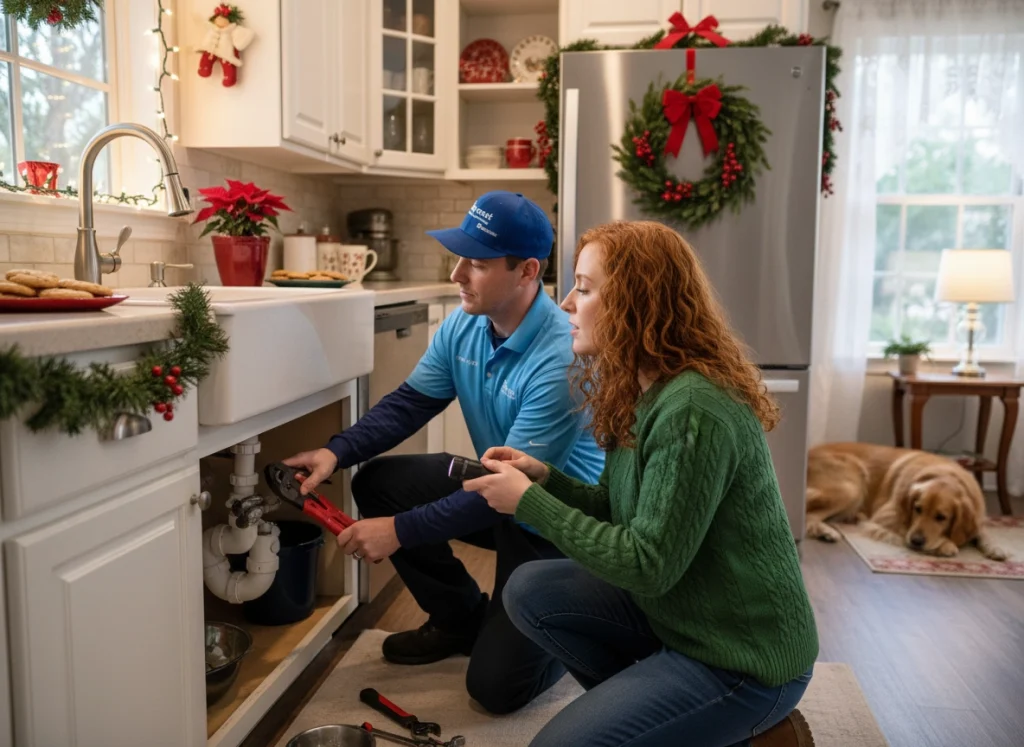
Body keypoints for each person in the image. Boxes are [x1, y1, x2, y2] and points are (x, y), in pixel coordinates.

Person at [463, 220, 819, 746]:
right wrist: (546, 479)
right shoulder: (641, 386)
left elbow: (647, 564)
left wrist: (532, 503)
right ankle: (672, 720)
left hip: (743, 659)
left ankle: (731, 722)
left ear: (636, 301)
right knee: (529, 589)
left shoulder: (693, 409)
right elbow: (614, 505)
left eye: (584, 289)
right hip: (682, 618)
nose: (565, 305)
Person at [283, 191, 605, 715]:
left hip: (555, 523)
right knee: (378, 483)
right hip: (499, 491)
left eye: (476, 263)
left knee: (497, 691)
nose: (457, 274)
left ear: (526, 271)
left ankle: (571, 628)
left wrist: (396, 532)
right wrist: (334, 452)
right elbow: (411, 403)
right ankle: (459, 622)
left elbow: (503, 491)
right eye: (460, 257)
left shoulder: (561, 357)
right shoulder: (466, 322)